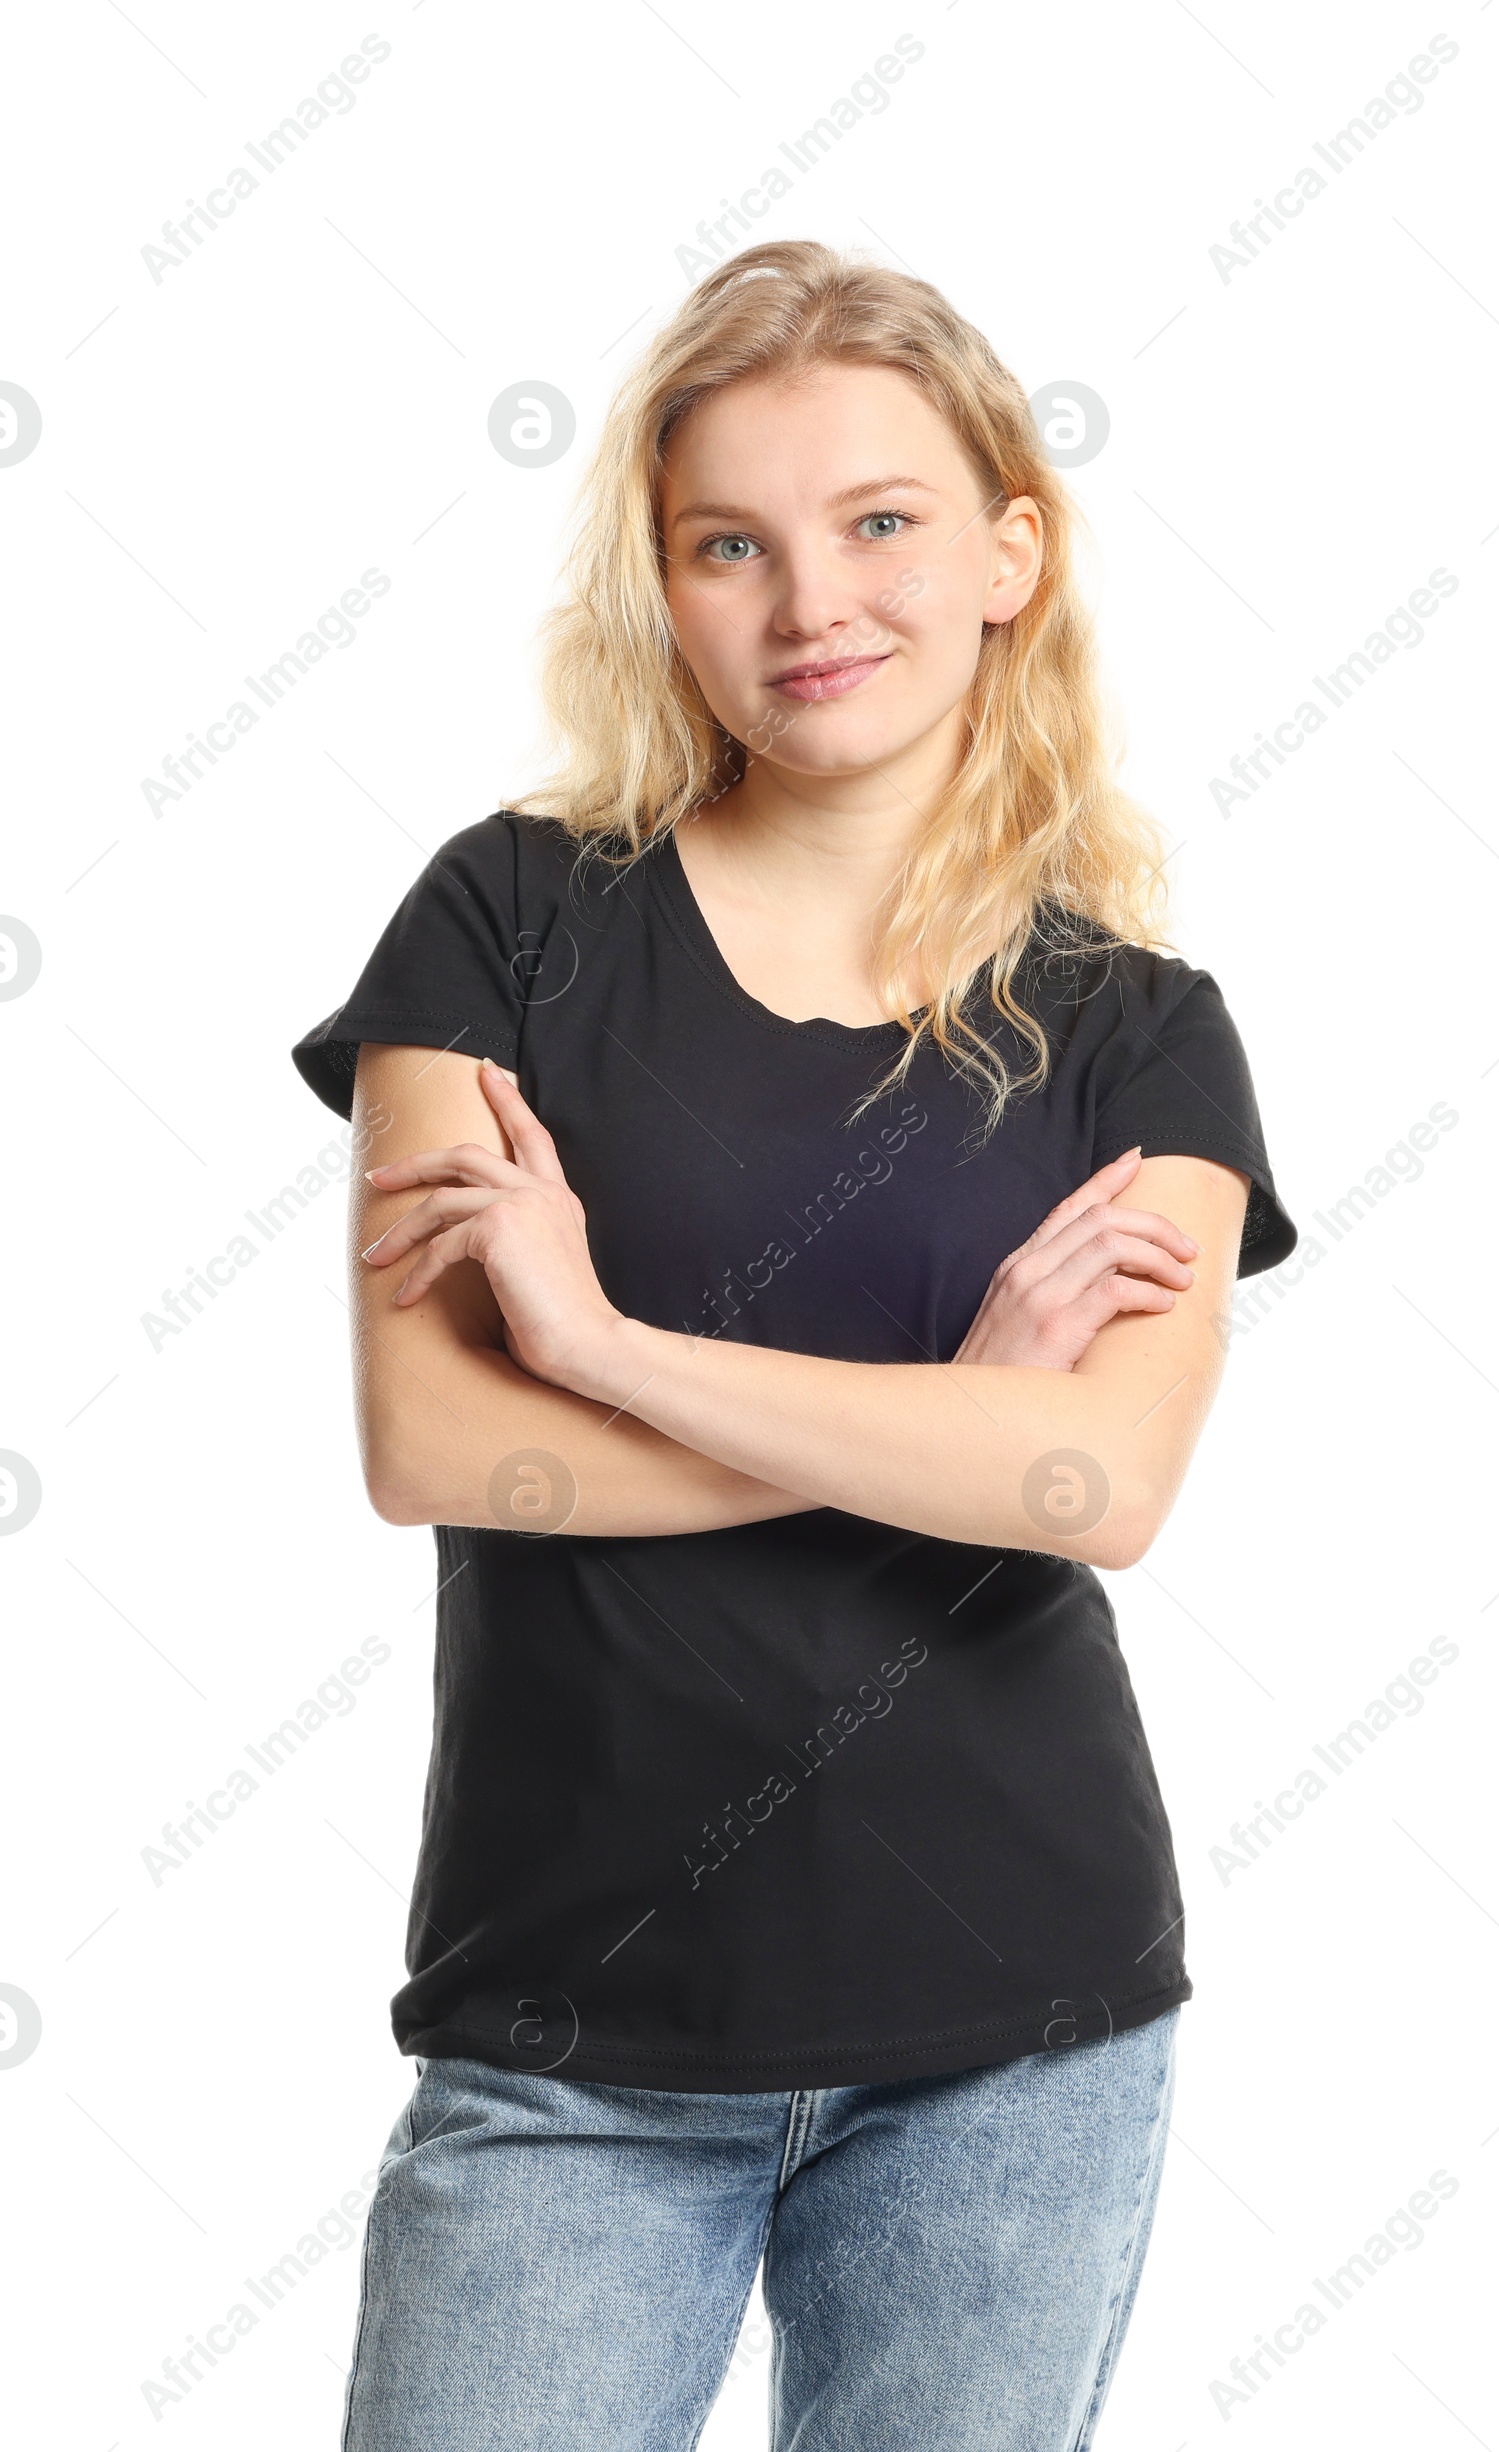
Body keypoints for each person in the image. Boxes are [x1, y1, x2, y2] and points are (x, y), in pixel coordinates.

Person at [292, 239, 1297, 2451]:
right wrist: (950, 1417)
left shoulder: (1135, 1033)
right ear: (660, 583)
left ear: (1007, 551)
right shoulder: (505, 921)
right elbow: (436, 1442)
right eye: (723, 543)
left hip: (1014, 2028)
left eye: (878, 523)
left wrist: (602, 1340)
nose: (806, 601)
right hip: (567, 2029)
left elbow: (1093, 1489)